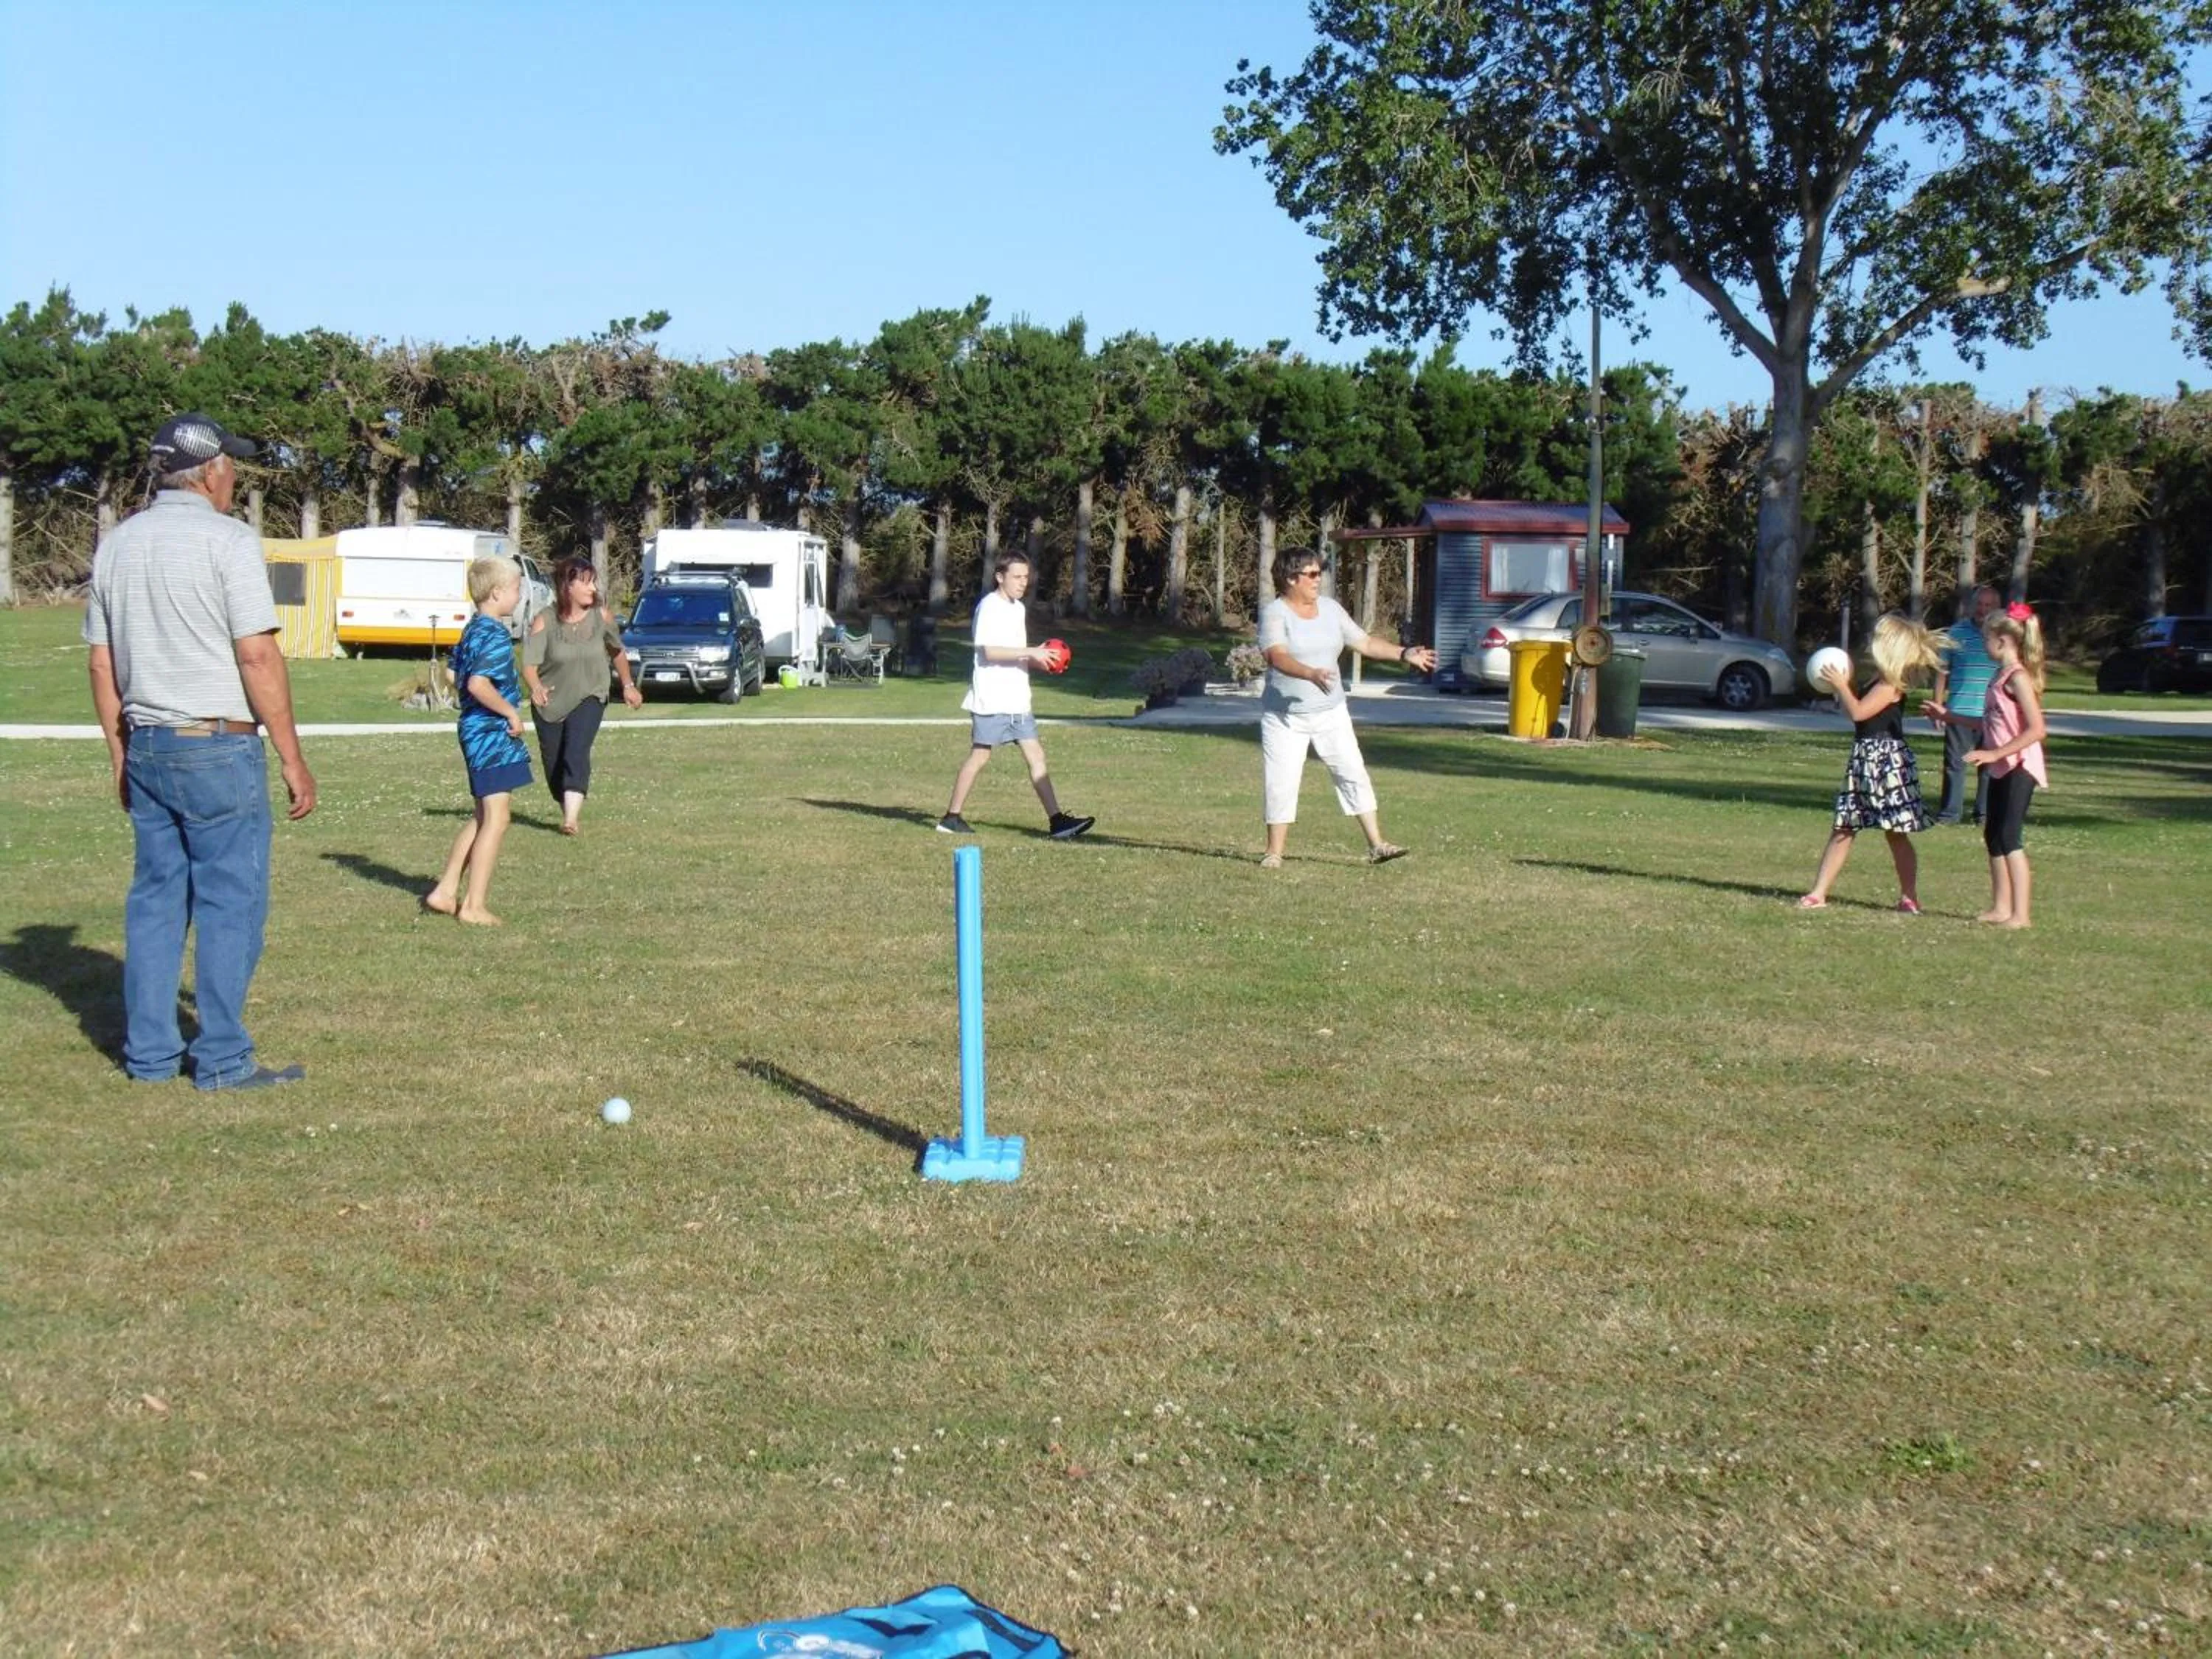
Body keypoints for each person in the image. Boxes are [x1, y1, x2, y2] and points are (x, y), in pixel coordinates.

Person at [83, 412, 317, 1090]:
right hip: (217, 745)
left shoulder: (116, 545)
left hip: (148, 742)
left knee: (155, 901)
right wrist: (292, 756)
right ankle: (221, 1059)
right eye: (231, 466)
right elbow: (256, 653)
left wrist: (118, 752)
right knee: (230, 902)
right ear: (211, 471)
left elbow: (103, 667)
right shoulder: (229, 542)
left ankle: (151, 1056)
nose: (234, 476)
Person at [1256, 549, 1438, 868]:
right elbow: (1276, 656)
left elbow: (1365, 643)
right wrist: (1309, 672)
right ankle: (1274, 853)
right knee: (1281, 782)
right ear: (1290, 579)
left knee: (1353, 773)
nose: (1318, 580)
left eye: (1319, 573)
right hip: (1285, 717)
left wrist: (1404, 653)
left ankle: (1378, 845)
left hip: (1331, 712)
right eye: (1311, 575)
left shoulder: (1330, 610)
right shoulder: (1275, 613)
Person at [936, 552, 1093, 839]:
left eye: (1026, 577)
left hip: (1018, 699)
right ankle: (951, 817)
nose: (1023, 583)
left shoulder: (1017, 609)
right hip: (992, 699)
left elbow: (1016, 654)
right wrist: (1030, 651)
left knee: (1037, 757)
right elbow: (989, 651)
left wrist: (1040, 660)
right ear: (1000, 577)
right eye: (1017, 577)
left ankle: (1058, 822)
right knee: (980, 757)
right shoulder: (989, 608)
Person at [1798, 613, 1942, 912]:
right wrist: (1842, 686)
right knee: (1845, 826)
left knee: (1896, 831)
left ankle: (1909, 897)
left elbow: (1859, 713)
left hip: (1887, 763)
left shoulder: (1890, 684)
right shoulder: (1876, 679)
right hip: (1865, 759)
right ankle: (1818, 892)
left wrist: (1841, 686)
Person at [1925, 602, 2049, 928]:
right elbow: (1992, 722)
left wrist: (1995, 754)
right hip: (2000, 766)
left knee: (2010, 837)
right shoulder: (2000, 675)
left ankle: (2021, 915)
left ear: (2004, 641)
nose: (1983, 643)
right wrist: (1948, 716)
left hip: (2019, 766)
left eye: (1986, 637)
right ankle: (2001, 907)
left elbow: (2036, 730)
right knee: (1993, 835)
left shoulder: (2019, 678)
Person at [424, 557, 532, 924]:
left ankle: (446, 890)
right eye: (517, 589)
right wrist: (510, 712)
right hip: (490, 732)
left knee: (483, 815)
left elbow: (454, 673)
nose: (520, 596)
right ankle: (473, 906)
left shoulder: (472, 629)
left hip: (472, 726)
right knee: (498, 819)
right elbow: (476, 683)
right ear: (497, 593)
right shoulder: (497, 635)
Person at [521, 556, 641, 835]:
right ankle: (565, 804)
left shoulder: (602, 616)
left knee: (576, 750)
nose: (593, 589)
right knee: (554, 764)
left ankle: (571, 820)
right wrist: (535, 687)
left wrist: (627, 685)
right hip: (550, 701)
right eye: (586, 583)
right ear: (568, 586)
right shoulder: (545, 620)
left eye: (594, 583)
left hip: (591, 693)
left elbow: (617, 651)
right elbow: (529, 664)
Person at [1930, 583, 2001, 824]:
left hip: (1991, 713)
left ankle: (1984, 814)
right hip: (1959, 709)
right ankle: (1950, 814)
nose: (1983, 610)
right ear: (1972, 607)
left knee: (1990, 767)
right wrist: (1939, 705)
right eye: (1979, 605)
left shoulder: (2002, 637)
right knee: (1955, 765)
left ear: (1996, 608)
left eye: (1988, 605)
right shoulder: (1956, 633)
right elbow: (1942, 671)